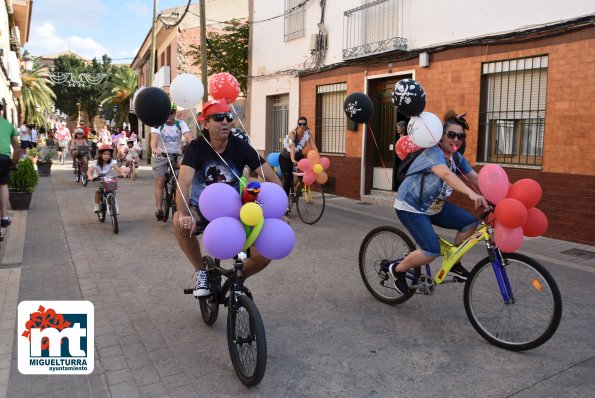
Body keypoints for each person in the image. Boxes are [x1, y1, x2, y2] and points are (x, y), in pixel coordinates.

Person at [175, 99, 284, 298]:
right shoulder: (196, 148)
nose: (225, 121)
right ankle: (201, 272)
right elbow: (183, 182)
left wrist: (278, 210)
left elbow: (271, 177)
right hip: (202, 209)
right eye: (218, 117)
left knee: (264, 255)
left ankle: (235, 279)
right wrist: (184, 212)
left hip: (236, 210)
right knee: (177, 222)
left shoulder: (241, 147)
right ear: (205, 124)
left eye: (228, 117)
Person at [390, 111, 489, 294]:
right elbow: (445, 174)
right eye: (451, 135)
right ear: (440, 135)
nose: (456, 140)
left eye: (460, 136)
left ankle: (454, 264)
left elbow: (475, 178)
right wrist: (471, 194)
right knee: (431, 251)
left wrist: (501, 193)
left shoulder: (456, 157)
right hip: (411, 207)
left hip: (434, 207)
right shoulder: (432, 153)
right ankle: (397, 270)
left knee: (470, 224)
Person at [150, 102, 192, 221]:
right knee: (160, 181)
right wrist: (154, 148)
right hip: (160, 155)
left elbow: (188, 136)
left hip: (177, 155)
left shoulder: (180, 124)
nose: (169, 115)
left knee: (185, 172)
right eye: (166, 113)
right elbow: (154, 138)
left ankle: (183, 203)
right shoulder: (158, 124)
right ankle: (159, 209)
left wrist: (193, 145)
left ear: (175, 113)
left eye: (172, 113)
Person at [279, 116, 318, 196]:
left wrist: (318, 158)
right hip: (285, 157)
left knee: (307, 170)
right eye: (300, 124)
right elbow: (292, 146)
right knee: (288, 179)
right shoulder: (292, 134)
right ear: (297, 125)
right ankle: (285, 202)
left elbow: (314, 146)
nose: (302, 126)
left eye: (304, 124)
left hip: (298, 155)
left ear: (306, 125)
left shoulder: (307, 134)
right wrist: (293, 159)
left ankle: (298, 189)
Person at [87, 144, 125, 213]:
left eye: (108, 154)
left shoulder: (112, 162)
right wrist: (90, 176)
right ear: (101, 154)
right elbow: (89, 171)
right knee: (99, 190)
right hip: (97, 179)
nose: (107, 156)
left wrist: (122, 173)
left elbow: (117, 168)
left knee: (112, 190)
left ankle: (112, 203)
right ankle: (97, 205)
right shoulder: (96, 162)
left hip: (108, 179)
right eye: (105, 154)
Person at [0, 103, 20, 227]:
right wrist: (14, 162)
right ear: (1, 111)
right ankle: (5, 217)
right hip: (4, 158)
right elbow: (17, 149)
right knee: (3, 185)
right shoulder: (8, 125)